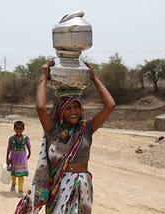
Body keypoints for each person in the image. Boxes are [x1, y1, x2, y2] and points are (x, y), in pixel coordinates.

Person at [15, 61, 116, 213]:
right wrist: (43, 76)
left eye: (76, 107)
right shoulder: (53, 130)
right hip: (59, 186)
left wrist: (94, 79)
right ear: (61, 110)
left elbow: (110, 106)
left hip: (82, 186)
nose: (73, 111)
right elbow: (40, 107)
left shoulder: (86, 129)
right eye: (68, 108)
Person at [6, 120, 31, 197]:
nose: (19, 130)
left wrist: (29, 153)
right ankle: (13, 184)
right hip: (14, 157)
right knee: (14, 173)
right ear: (14, 129)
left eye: (20, 129)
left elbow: (28, 146)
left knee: (21, 174)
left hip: (22, 158)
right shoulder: (11, 138)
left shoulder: (26, 138)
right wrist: (7, 158)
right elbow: (9, 148)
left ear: (23, 129)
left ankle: (20, 190)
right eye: (17, 129)